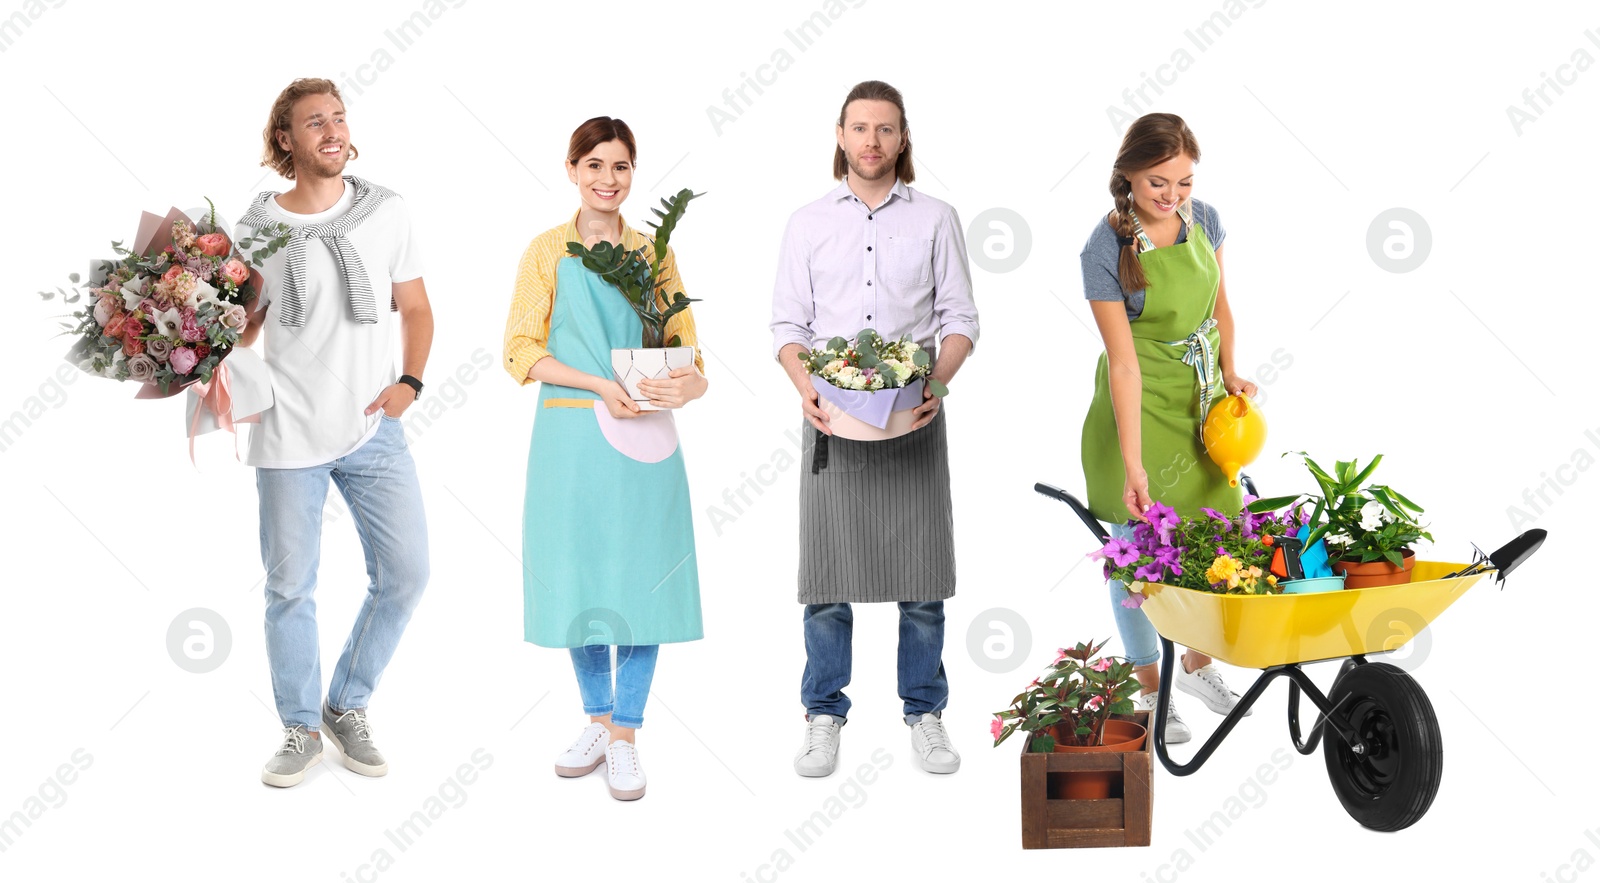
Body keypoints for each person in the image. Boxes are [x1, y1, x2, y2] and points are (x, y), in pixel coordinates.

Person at [771, 80, 979, 777]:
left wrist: (936, 385)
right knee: (826, 580)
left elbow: (960, 319)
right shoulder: (806, 222)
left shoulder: (937, 218)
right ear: (839, 135)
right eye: (859, 128)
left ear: (903, 138)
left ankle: (925, 711)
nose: (871, 141)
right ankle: (823, 713)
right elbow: (788, 327)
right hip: (832, 421)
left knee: (922, 583)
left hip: (914, 417)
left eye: (885, 129)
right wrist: (806, 387)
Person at [235, 78, 434, 787]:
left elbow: (414, 307)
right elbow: (248, 321)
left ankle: (344, 704)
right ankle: (298, 728)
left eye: (340, 118)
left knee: (407, 572)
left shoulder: (387, 210)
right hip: (287, 430)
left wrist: (409, 383)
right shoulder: (256, 223)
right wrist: (193, 350)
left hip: (370, 428)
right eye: (314, 121)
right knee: (290, 587)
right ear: (284, 139)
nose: (333, 130)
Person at [503, 116, 707, 802]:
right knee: (579, 578)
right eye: (593, 165)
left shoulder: (654, 254)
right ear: (571, 170)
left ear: (632, 173)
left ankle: (625, 732)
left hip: (646, 435)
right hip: (570, 437)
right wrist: (598, 384)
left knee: (644, 579)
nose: (607, 179)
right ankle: (596, 718)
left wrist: (690, 381)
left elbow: (690, 348)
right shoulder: (545, 252)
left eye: (620, 166)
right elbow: (520, 350)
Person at [1079, 112, 1260, 743]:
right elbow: (1124, 365)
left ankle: (1198, 665)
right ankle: (1152, 689)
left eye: (1183, 182)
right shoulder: (1106, 250)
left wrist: (1231, 372)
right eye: (1158, 182)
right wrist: (1133, 464)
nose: (1172, 196)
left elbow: (1221, 307)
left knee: (1215, 537)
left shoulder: (1204, 220)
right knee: (1141, 556)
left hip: (1199, 402)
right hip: (1137, 408)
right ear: (1127, 173)